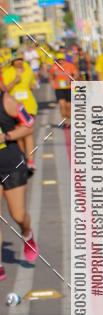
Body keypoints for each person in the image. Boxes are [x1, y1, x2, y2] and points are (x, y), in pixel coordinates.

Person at [0, 87, 38, 280]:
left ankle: (27, 234)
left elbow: (29, 125)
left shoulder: (8, 101)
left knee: (18, 214)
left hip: (11, 165)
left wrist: (6, 136)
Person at [1, 52, 38, 171]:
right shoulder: (8, 72)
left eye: (21, 59)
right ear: (12, 61)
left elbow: (33, 83)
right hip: (11, 109)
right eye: (17, 60)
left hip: (27, 105)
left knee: (28, 132)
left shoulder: (28, 70)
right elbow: (5, 89)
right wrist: (15, 81)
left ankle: (30, 161)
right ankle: (23, 157)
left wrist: (33, 85)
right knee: (19, 136)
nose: (19, 61)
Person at [49, 51, 78, 127]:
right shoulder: (54, 66)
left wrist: (71, 79)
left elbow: (76, 75)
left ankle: (69, 119)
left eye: (62, 59)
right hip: (59, 88)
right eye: (59, 59)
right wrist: (52, 84)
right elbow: (51, 77)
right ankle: (65, 121)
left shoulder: (70, 66)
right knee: (62, 105)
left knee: (68, 106)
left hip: (68, 88)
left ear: (64, 59)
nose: (60, 61)